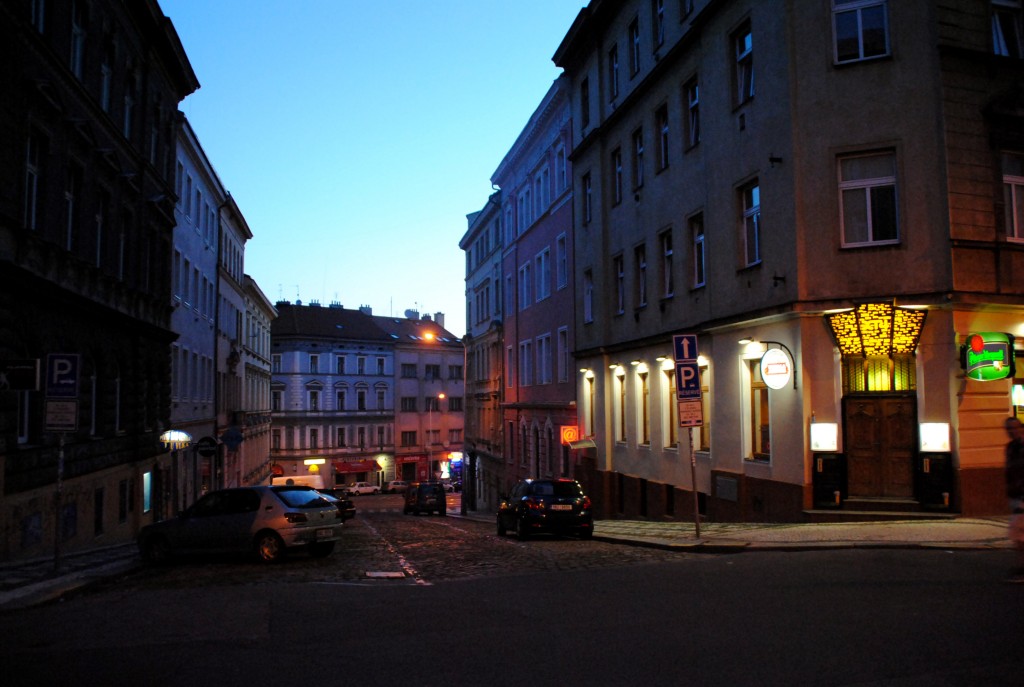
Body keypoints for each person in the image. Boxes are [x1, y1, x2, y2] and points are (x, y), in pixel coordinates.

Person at [1003, 416, 1024, 583]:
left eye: (1015, 427)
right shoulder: (1010, 447)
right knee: (1019, 535)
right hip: (1015, 495)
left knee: (1017, 534)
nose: (1012, 431)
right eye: (1009, 429)